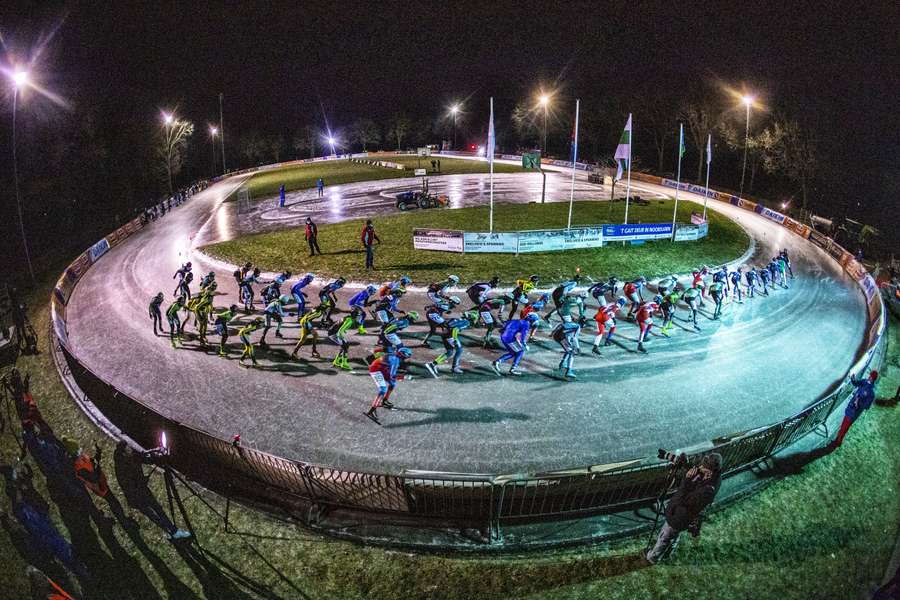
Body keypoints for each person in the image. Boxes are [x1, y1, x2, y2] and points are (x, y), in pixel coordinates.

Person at [645, 452, 723, 564]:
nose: (699, 468)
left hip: (680, 516)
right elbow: (691, 466)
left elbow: (683, 500)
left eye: (703, 468)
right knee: (674, 536)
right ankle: (668, 553)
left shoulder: (707, 490)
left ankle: (652, 558)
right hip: (682, 516)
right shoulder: (712, 475)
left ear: (709, 472)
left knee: (665, 536)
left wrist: (686, 480)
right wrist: (668, 456)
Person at [113, 441, 191, 540]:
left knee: (156, 511)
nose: (131, 450)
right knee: (155, 513)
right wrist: (141, 481)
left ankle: (170, 531)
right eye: (129, 449)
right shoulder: (121, 466)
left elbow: (144, 457)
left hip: (141, 490)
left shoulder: (130, 457)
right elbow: (128, 483)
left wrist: (156, 452)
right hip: (136, 495)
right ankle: (173, 532)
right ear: (124, 452)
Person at [830, 370, 879, 448]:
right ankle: (837, 440)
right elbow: (856, 383)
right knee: (842, 425)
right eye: (870, 376)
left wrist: (858, 403)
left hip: (854, 412)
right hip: (850, 407)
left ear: (873, 379)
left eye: (871, 377)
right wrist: (853, 378)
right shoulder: (864, 381)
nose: (869, 377)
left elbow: (867, 406)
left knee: (845, 428)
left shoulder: (871, 393)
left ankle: (838, 442)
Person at [364, 346, 413, 424]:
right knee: (383, 389)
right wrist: (403, 377)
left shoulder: (394, 356)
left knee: (392, 383)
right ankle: (372, 411)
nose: (406, 359)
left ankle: (384, 401)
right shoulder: (395, 361)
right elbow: (392, 376)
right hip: (376, 370)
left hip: (381, 368)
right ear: (402, 355)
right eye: (406, 357)